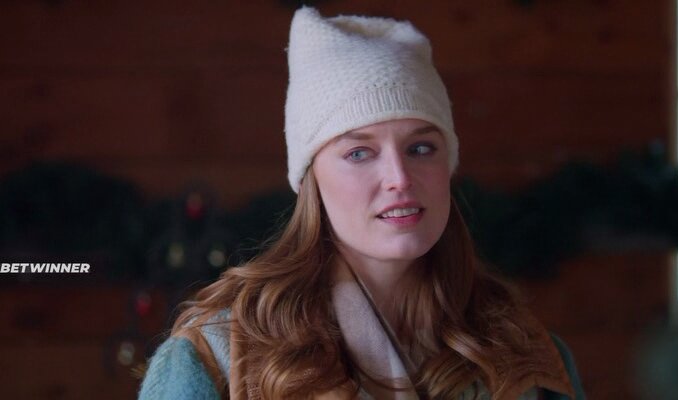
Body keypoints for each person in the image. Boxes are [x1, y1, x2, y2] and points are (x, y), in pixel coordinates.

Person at [138, 7, 585, 400]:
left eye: (421, 148)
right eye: (359, 153)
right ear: (312, 179)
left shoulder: (526, 353)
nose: (399, 178)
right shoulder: (216, 356)